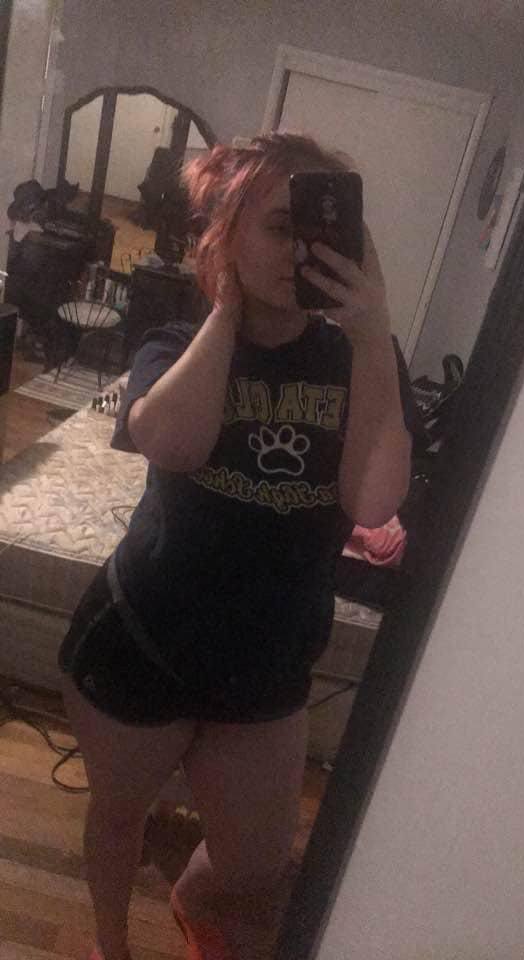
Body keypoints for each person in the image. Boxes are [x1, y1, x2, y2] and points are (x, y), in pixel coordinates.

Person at [58, 131, 412, 960]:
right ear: (226, 235)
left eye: (323, 231)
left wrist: (373, 334)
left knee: (255, 861)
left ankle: (192, 899)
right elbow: (172, 444)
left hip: (268, 662)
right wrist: (225, 308)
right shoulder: (171, 344)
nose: (302, 252)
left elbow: (373, 500)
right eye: (280, 228)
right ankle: (112, 946)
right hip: (142, 637)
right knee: (119, 815)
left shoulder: (359, 361)